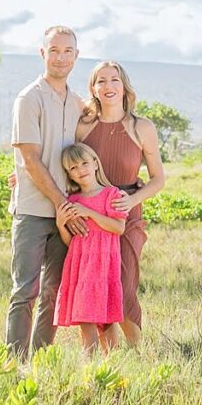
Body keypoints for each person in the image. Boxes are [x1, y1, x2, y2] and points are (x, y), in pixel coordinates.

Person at [5, 26, 130, 360]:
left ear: (76, 56)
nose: (60, 57)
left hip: (69, 214)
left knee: (52, 292)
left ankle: (41, 362)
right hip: (36, 210)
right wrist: (61, 203)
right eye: (54, 50)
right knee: (25, 291)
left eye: (67, 51)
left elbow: (105, 129)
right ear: (42, 53)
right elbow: (29, 157)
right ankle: (15, 365)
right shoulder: (28, 98)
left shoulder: (77, 104)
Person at [77, 60, 165, 348]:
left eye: (114, 80)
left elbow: (157, 179)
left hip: (128, 216)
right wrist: (22, 173)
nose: (108, 86)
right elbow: (60, 159)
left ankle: (139, 354)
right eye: (100, 81)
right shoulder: (82, 126)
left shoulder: (142, 127)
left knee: (124, 289)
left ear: (124, 86)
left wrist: (133, 200)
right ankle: (110, 361)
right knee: (99, 290)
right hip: (93, 217)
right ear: (93, 88)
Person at [53, 143, 127, 355]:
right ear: (69, 174)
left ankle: (113, 363)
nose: (80, 170)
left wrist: (89, 212)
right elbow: (72, 241)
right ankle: (89, 368)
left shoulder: (111, 194)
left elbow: (118, 228)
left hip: (104, 267)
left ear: (95, 163)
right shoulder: (72, 200)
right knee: (85, 318)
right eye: (73, 168)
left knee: (106, 321)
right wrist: (61, 224)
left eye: (84, 163)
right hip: (81, 266)